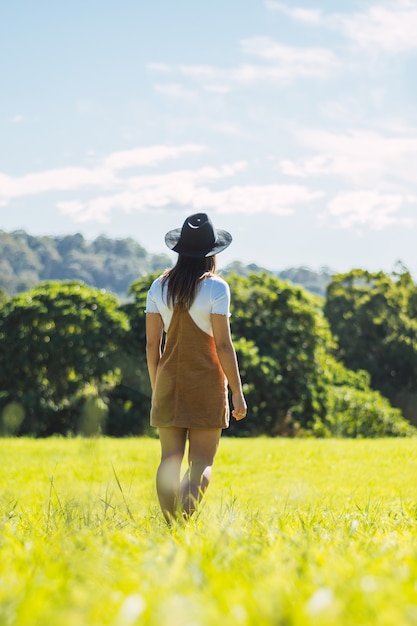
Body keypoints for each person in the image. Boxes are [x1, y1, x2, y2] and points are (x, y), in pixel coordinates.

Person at [145, 212, 247, 523]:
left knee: (169, 460)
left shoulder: (158, 286)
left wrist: (156, 387)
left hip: (168, 383)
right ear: (212, 254)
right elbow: (223, 345)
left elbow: (152, 346)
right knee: (201, 461)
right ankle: (183, 522)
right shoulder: (216, 288)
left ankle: (169, 524)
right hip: (206, 385)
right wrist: (238, 394)